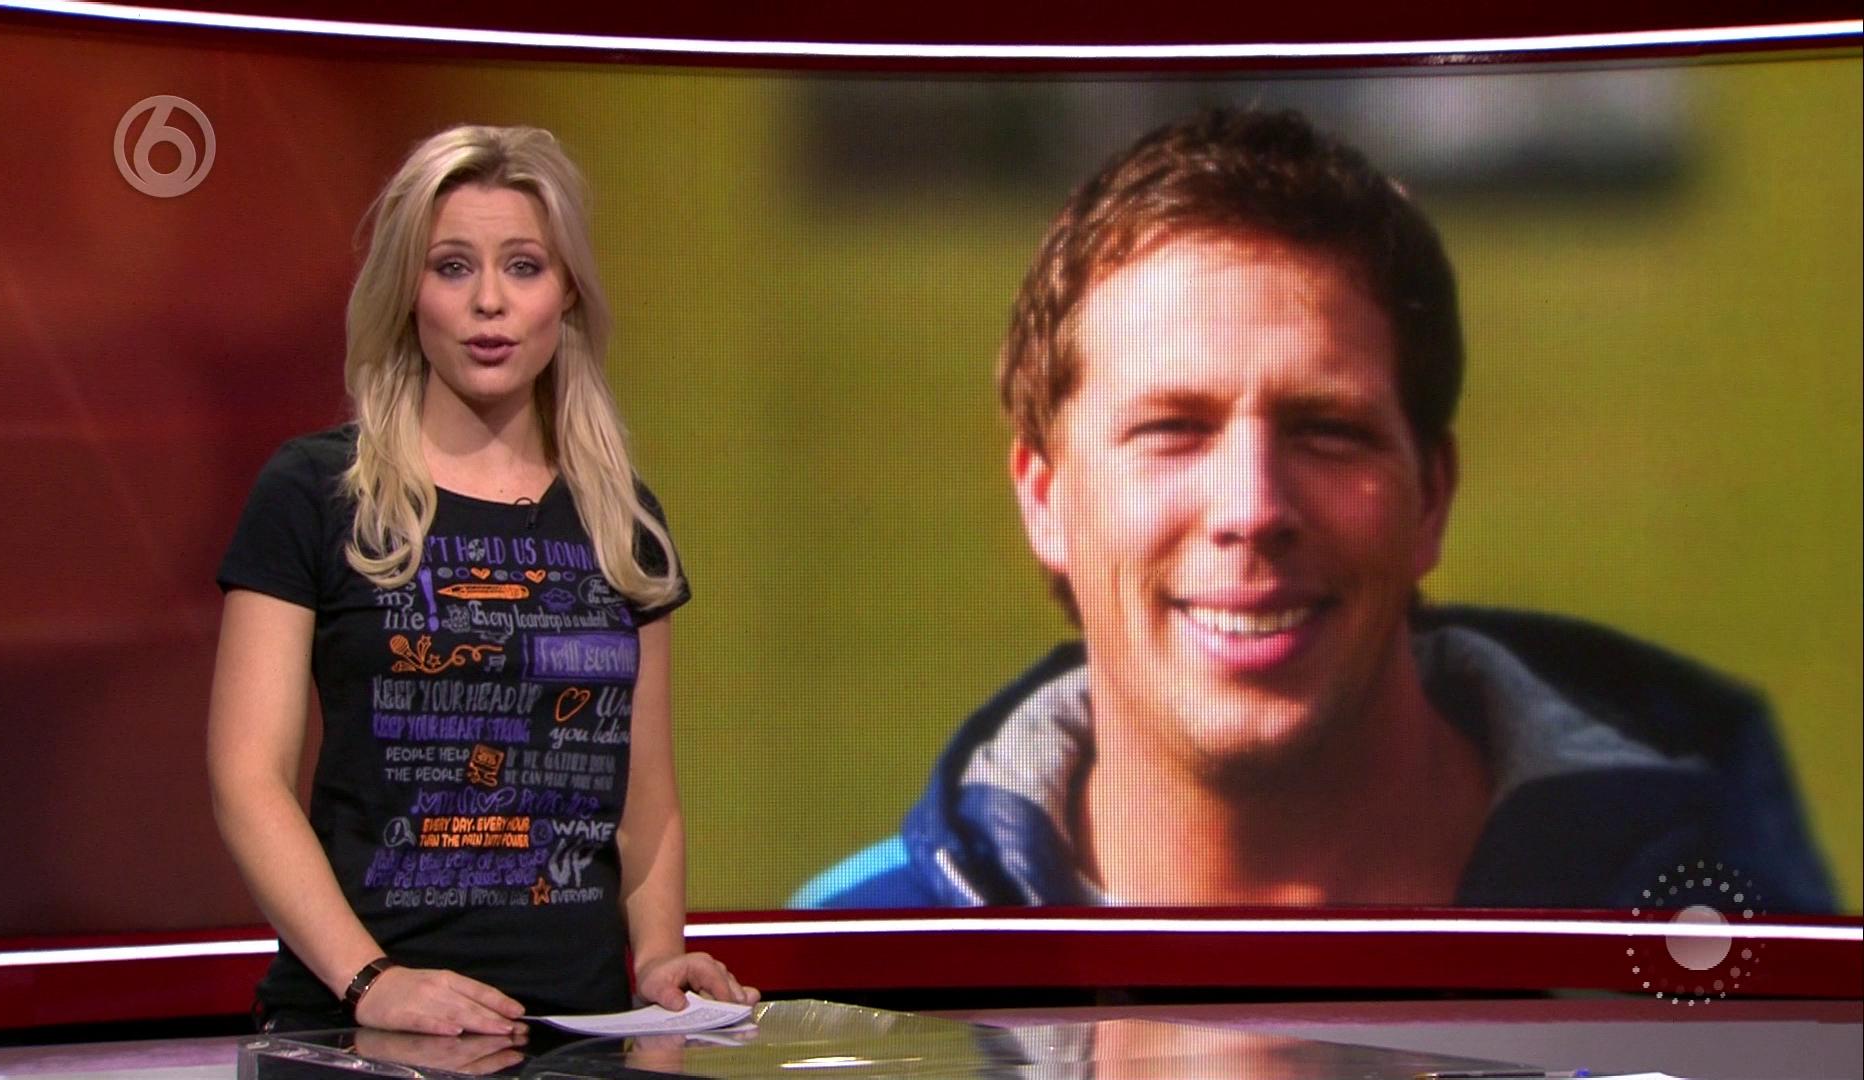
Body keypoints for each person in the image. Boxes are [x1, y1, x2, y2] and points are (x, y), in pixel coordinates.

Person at [795, 107, 1834, 912]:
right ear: (1046, 499)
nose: (1253, 507)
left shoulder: (1728, 940)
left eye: (1327, 430)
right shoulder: (848, 972)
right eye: (1172, 429)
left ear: (1432, 497)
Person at [209, 125, 756, 1036]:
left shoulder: (621, 517)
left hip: (579, 1030)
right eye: (453, 267)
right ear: (407, 290)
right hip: (361, 1024)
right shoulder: (314, 492)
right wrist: (372, 981)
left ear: (567, 291)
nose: (490, 301)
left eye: (524, 267)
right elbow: (247, 779)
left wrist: (660, 955)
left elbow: (644, 798)